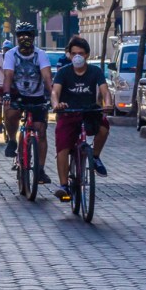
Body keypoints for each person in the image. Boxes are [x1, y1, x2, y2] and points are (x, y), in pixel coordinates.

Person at [51, 36, 111, 201]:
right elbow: (54, 92)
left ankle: (95, 156)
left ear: (87, 55)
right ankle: (64, 186)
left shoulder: (95, 72)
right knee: (62, 147)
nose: (77, 56)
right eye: (74, 53)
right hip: (68, 114)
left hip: (89, 112)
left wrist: (108, 104)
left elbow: (105, 91)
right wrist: (57, 105)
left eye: (81, 53)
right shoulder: (63, 72)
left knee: (104, 126)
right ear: (69, 55)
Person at [2, 22, 54, 185]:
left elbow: (46, 77)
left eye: (28, 35)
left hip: (37, 96)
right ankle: (12, 139)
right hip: (17, 95)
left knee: (41, 131)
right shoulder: (11, 54)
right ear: (16, 38)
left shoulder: (41, 55)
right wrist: (6, 94)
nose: (25, 38)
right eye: (21, 35)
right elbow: (8, 75)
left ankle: (40, 170)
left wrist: (52, 96)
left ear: (34, 37)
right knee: (11, 114)